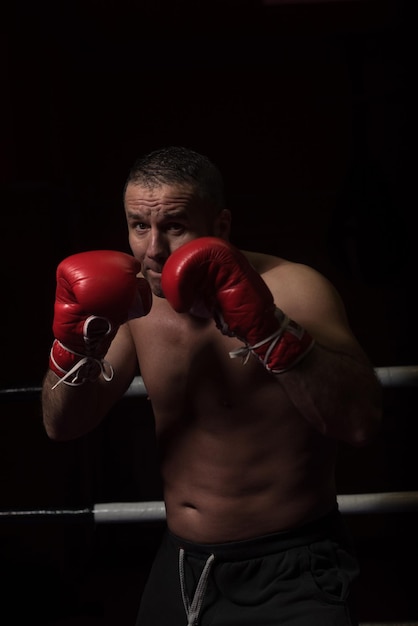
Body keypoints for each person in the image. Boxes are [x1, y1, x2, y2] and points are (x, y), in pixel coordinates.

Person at [42, 146, 383, 626]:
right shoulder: (131, 301)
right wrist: (74, 346)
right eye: (140, 226)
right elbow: (62, 424)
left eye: (174, 226)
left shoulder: (294, 289)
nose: (154, 249)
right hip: (182, 565)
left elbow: (361, 422)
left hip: (290, 568)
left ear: (221, 226)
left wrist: (269, 330)